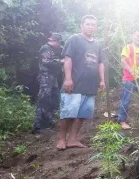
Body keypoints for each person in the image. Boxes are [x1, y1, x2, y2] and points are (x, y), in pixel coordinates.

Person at [57, 15, 105, 150]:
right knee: (68, 112)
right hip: (74, 83)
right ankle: (62, 139)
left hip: (90, 85)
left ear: (96, 27)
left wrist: (102, 80)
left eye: (93, 25)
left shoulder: (97, 44)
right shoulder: (74, 39)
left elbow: (100, 63)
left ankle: (72, 139)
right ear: (82, 25)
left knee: (82, 114)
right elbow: (67, 59)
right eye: (87, 24)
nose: (90, 27)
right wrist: (68, 78)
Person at [117, 30, 139, 130]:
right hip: (129, 79)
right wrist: (131, 70)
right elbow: (123, 61)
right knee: (126, 100)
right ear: (132, 36)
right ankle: (122, 121)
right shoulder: (128, 48)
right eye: (137, 36)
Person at [32, 33, 64, 134]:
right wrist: (61, 61)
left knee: (54, 100)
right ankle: (39, 127)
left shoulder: (58, 49)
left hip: (53, 78)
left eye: (54, 41)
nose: (52, 42)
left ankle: (48, 122)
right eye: (51, 40)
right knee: (44, 100)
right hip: (45, 77)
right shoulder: (45, 48)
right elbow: (45, 61)